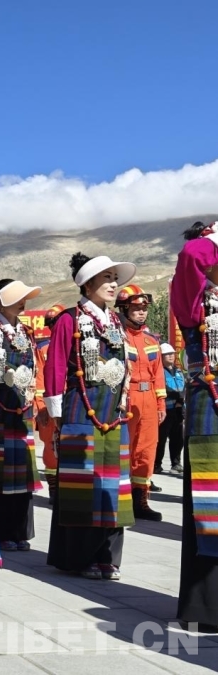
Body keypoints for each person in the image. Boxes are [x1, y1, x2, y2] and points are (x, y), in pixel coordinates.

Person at [44, 252, 136, 581]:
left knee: (113, 484)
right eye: (106, 279)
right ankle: (79, 556)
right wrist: (57, 414)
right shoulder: (69, 319)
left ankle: (107, 554)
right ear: (87, 284)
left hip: (113, 410)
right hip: (82, 407)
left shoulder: (116, 322)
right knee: (82, 483)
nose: (113, 285)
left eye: (114, 279)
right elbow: (55, 366)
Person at [169, 220, 218, 631]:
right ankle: (207, 606)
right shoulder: (195, 300)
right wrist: (212, 238)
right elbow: (192, 256)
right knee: (209, 502)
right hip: (210, 405)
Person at [0, 279, 43, 551]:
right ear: (0, 302)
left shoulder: (27, 332)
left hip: (21, 409)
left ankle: (19, 531)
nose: (22, 302)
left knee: (21, 470)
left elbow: (35, 370)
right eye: (16, 298)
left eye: (23, 298)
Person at [115, 284, 167, 520]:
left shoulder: (151, 339)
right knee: (124, 449)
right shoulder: (117, 337)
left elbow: (158, 374)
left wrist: (161, 403)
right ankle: (120, 499)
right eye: (136, 308)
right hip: (127, 398)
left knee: (147, 450)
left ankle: (141, 500)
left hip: (149, 399)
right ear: (124, 309)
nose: (142, 312)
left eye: (144, 308)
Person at [35, 304, 66, 504]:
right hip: (48, 405)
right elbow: (38, 379)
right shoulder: (43, 348)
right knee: (50, 447)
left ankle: (68, 487)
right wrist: (41, 407)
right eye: (52, 323)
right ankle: (54, 488)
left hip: (70, 403)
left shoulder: (74, 345)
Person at [155, 343, 185, 475]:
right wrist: (178, 396)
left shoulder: (179, 371)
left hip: (178, 410)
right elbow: (163, 389)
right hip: (165, 410)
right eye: (167, 354)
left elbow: (184, 386)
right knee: (161, 439)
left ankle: (176, 463)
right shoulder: (159, 371)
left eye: (172, 353)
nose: (171, 356)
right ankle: (157, 464)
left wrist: (181, 398)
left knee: (178, 439)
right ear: (161, 356)